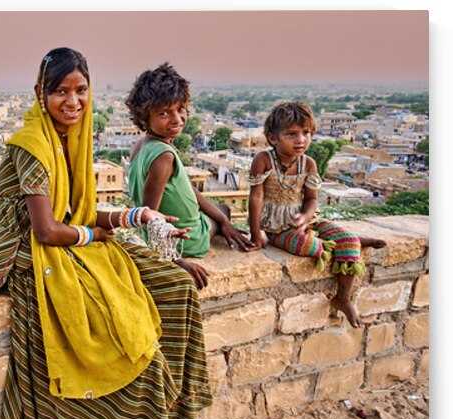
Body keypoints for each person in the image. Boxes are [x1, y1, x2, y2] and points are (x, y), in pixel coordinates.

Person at [0, 48, 212, 419]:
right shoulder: (33, 145)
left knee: (176, 288)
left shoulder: (70, 139)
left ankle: (170, 411)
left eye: (80, 90)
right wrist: (97, 233)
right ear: (41, 93)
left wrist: (135, 215)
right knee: (130, 351)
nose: (72, 101)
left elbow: (74, 212)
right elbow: (47, 229)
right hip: (35, 256)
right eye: (60, 90)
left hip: (71, 243)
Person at [247, 100, 386, 328]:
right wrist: (256, 234)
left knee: (349, 242)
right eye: (291, 134)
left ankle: (343, 296)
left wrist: (305, 217)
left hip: (305, 219)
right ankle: (334, 242)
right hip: (275, 227)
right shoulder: (263, 160)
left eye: (306, 133)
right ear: (273, 138)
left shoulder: (308, 164)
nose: (301, 140)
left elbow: (311, 200)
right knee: (309, 247)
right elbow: (256, 197)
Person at [125, 63, 255, 290]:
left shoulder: (142, 145)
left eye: (180, 109)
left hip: (177, 229)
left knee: (222, 214)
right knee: (223, 211)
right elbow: (150, 216)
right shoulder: (164, 155)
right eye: (164, 113)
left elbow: (186, 189)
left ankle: (221, 223)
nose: (177, 119)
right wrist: (176, 260)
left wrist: (223, 220)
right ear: (144, 118)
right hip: (185, 238)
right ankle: (216, 228)